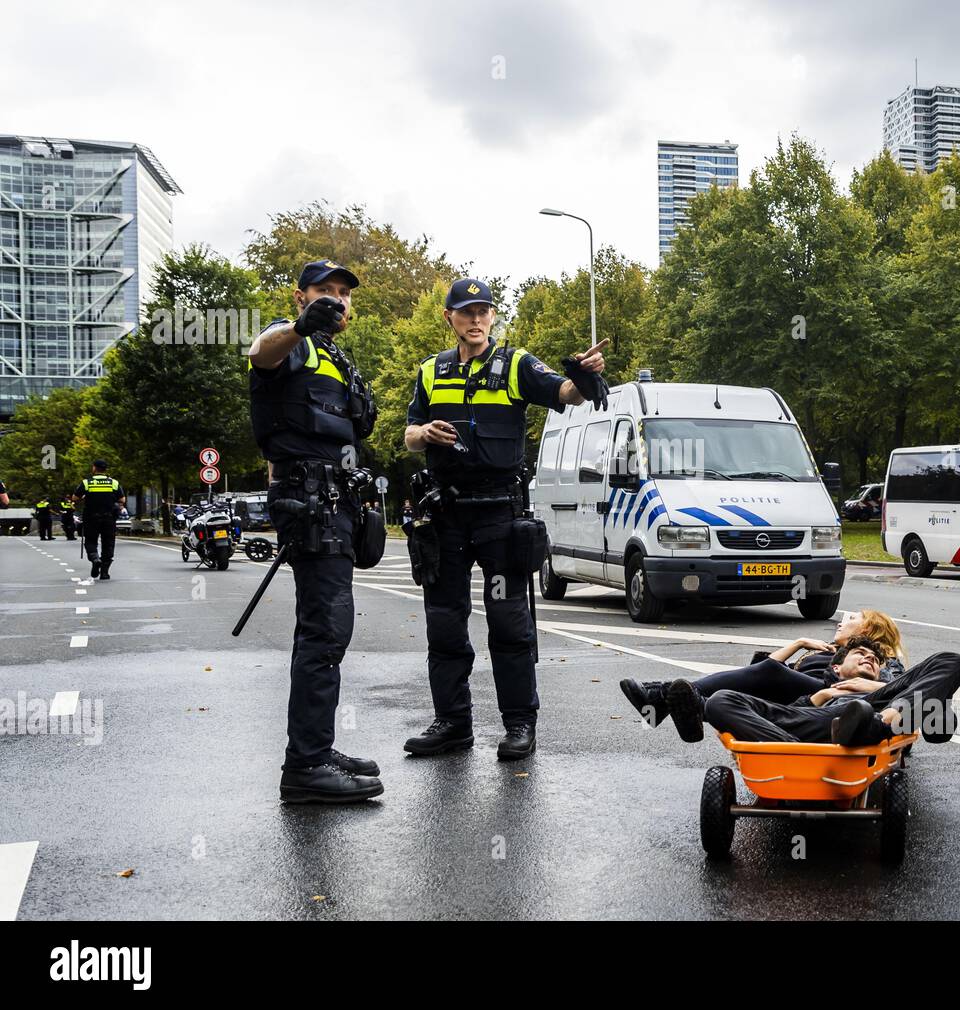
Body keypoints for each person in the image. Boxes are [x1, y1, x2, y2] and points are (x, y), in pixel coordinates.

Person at [402, 277, 609, 761]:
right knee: (445, 624)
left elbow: (565, 393)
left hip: (499, 515)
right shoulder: (431, 371)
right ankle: (452, 724)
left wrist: (581, 375)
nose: (476, 319)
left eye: (484, 311)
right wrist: (423, 433)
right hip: (446, 515)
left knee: (509, 625)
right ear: (449, 318)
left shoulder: (515, 365)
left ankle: (519, 725)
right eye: (466, 311)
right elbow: (408, 433)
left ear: (492, 316)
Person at [247, 258, 382, 804]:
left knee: (330, 629)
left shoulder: (337, 358)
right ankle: (304, 766)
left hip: (335, 500)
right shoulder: (290, 340)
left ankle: (316, 748)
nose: (338, 300)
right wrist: (299, 327)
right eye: (325, 291)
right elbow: (261, 354)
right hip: (309, 501)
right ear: (300, 297)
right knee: (324, 630)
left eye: (344, 293)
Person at [620, 608, 906, 730]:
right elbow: (758, 669)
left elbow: (892, 685)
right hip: (800, 697)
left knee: (769, 673)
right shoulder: (829, 650)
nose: (843, 620)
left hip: (831, 698)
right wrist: (800, 643)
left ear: (868, 630)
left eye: (853, 618)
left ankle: (665, 695)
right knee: (763, 673)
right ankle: (685, 702)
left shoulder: (879, 657)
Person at [675, 640, 960, 747]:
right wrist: (824, 695)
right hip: (811, 721)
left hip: (875, 710)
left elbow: (940, 730)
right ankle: (790, 751)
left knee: (950, 659)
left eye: (875, 660)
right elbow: (798, 707)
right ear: (837, 668)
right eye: (860, 654)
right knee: (720, 700)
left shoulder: (889, 686)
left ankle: (882, 722)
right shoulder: (823, 685)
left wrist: (875, 688)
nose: (870, 659)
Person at [74, 461, 125, 579]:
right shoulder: (114, 483)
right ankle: (104, 572)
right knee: (108, 544)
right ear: (105, 469)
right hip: (109, 518)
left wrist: (84, 497)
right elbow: (122, 499)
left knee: (91, 541)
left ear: (94, 468)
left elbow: (75, 498)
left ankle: (95, 558)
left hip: (91, 517)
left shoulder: (87, 483)